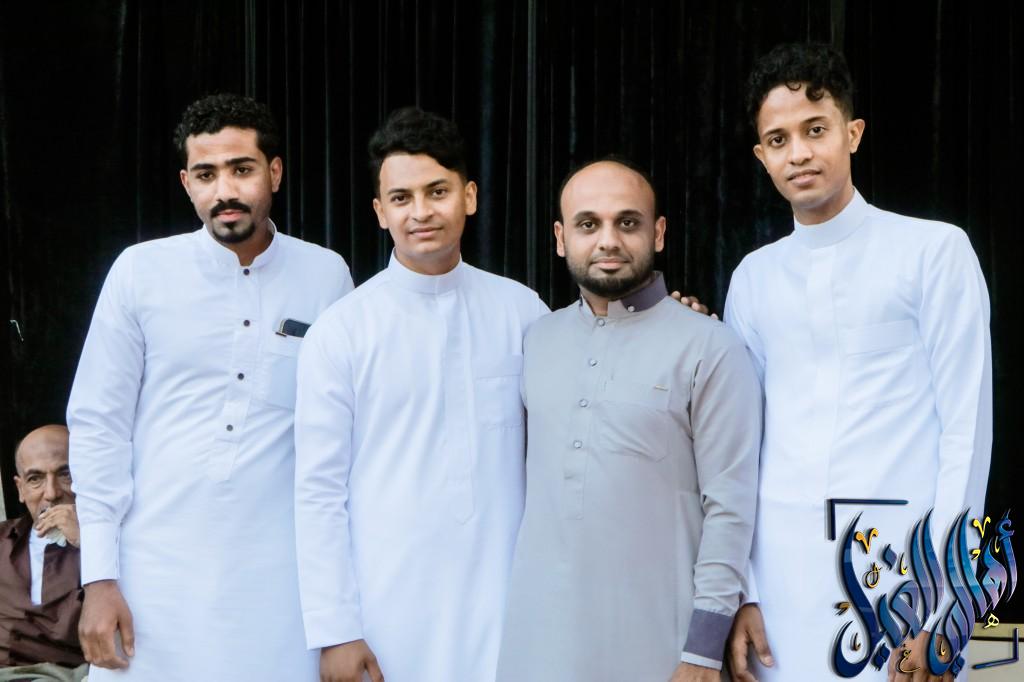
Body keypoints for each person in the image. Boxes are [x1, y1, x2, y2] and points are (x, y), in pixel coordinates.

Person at [724, 43, 991, 681]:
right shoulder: (754, 277)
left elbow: (967, 432)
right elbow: (738, 446)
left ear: (853, 133)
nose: (799, 153)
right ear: (761, 157)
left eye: (815, 130)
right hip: (779, 580)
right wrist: (744, 590)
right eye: (779, 139)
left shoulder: (934, 251)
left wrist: (945, 608)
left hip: (900, 574)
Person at [67, 94, 354, 680]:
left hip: (280, 586)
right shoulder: (140, 271)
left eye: (241, 169)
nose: (225, 190)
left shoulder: (326, 275)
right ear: (186, 183)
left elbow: (343, 437)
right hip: (153, 578)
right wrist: (99, 578)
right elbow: (99, 425)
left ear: (275, 172)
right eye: (206, 174)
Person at [293, 107, 548, 682]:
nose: (422, 212)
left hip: (506, 601)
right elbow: (317, 492)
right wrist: (336, 630)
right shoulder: (343, 330)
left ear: (469, 197)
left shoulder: (523, 312)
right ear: (380, 212)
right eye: (401, 198)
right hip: (387, 611)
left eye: (437, 191)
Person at [494, 159, 762, 682]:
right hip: (538, 644)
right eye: (588, 224)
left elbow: (730, 507)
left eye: (628, 222)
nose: (608, 240)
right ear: (560, 238)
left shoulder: (710, 346)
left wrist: (704, 650)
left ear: (658, 233)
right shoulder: (537, 340)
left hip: (661, 645)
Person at [0, 425, 87, 681]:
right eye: (35, 479)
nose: (52, 493)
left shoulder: (118, 544)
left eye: (66, 474)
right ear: (20, 489)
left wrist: (89, 541)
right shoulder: (3, 541)